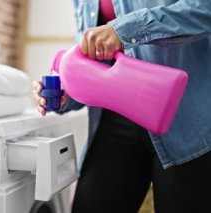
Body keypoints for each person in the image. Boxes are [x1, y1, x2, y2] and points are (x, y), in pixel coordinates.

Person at [33, 0, 211, 212]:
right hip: (113, 121)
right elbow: (91, 53)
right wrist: (67, 92)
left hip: (184, 118)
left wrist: (125, 30)